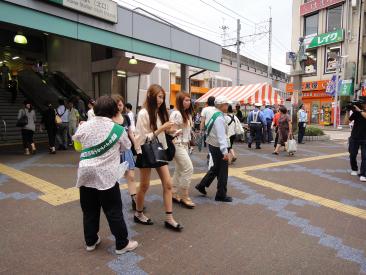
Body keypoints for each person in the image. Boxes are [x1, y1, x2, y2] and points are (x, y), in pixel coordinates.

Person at [73, 95, 138, 255]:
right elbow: (126, 147)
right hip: (106, 176)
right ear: (114, 111)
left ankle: (91, 241)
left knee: (89, 210)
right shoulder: (117, 129)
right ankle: (122, 244)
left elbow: (77, 143)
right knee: (113, 210)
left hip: (86, 172)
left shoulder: (84, 126)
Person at [134, 84, 183, 231]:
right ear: (150, 95)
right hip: (147, 152)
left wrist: (172, 132)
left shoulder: (160, 112)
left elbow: (161, 135)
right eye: (159, 96)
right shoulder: (143, 113)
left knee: (168, 184)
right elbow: (142, 139)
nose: (161, 100)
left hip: (160, 151)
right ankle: (138, 213)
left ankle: (169, 218)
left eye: (163, 97)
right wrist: (161, 128)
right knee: (144, 186)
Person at [195, 96, 233, 202]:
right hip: (218, 146)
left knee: (216, 168)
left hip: (212, 144)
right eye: (226, 104)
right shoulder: (220, 117)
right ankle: (221, 194)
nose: (228, 105)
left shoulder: (215, 114)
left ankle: (202, 185)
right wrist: (225, 151)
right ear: (221, 105)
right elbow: (221, 136)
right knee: (223, 172)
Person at [111, 95, 139, 210]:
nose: (118, 107)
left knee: (131, 176)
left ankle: (135, 200)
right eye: (116, 105)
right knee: (114, 178)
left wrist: (136, 145)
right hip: (114, 152)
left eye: (120, 104)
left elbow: (130, 133)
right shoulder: (108, 119)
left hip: (126, 150)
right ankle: (114, 201)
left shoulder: (126, 117)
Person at [170, 92, 195, 209]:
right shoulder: (176, 113)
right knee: (188, 168)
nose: (188, 102)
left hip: (184, 145)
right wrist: (176, 132)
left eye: (189, 100)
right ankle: (184, 196)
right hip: (177, 144)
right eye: (185, 100)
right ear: (180, 101)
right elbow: (171, 131)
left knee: (180, 169)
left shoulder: (186, 114)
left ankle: (173, 193)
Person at [348, 97, 366, 182]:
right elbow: (346, 121)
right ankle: (354, 169)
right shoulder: (356, 112)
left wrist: (359, 110)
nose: (363, 105)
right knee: (352, 155)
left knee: (365, 157)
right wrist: (348, 110)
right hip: (354, 137)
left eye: (363, 103)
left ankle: (363, 174)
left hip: (365, 138)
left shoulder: (361, 111)